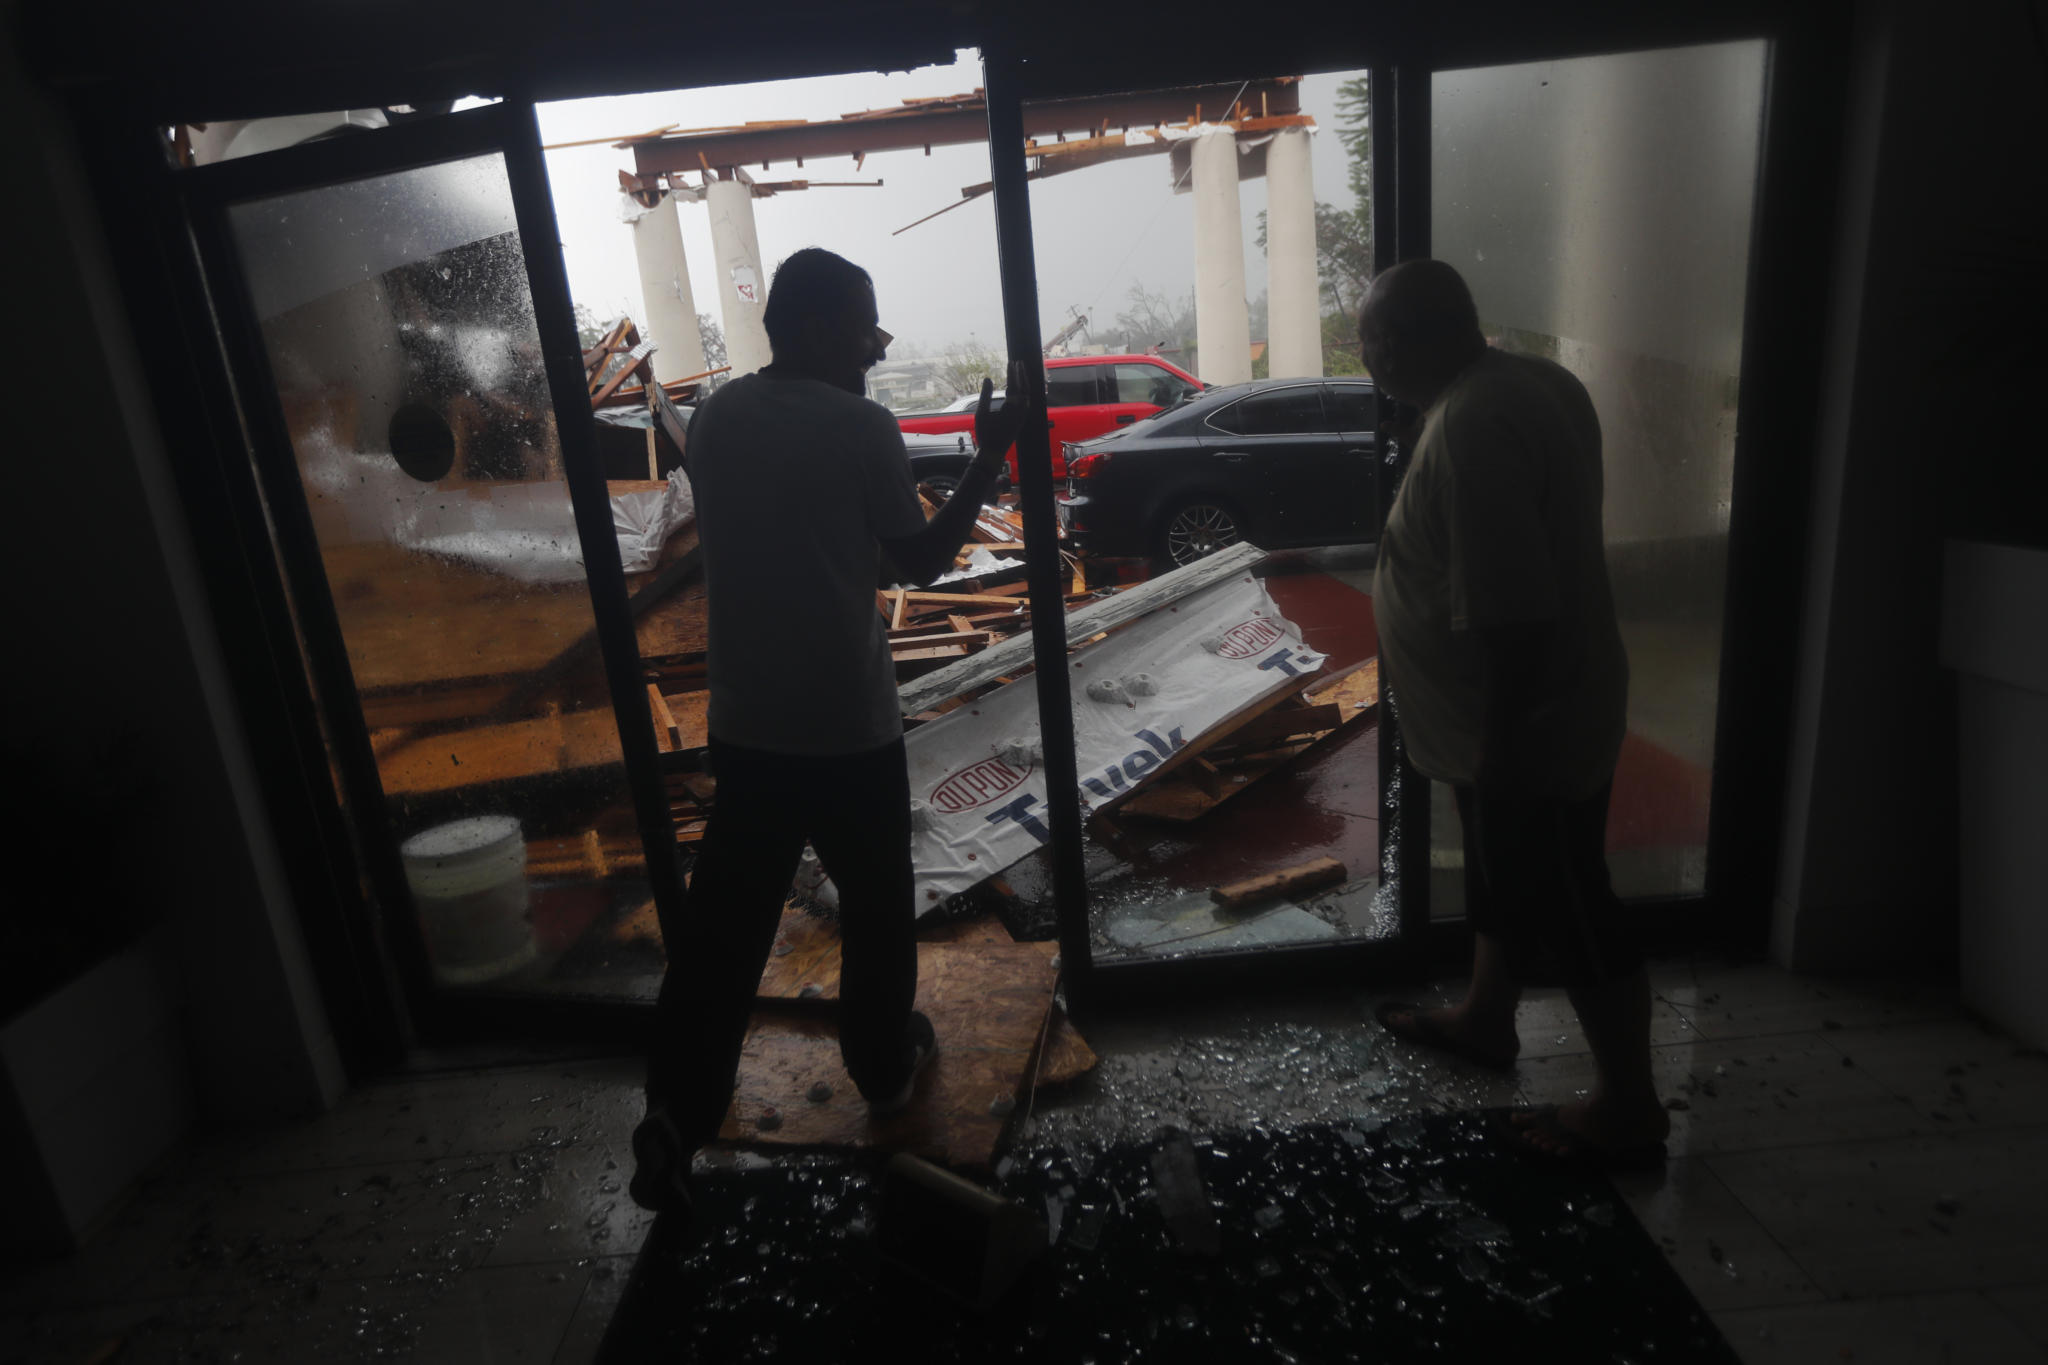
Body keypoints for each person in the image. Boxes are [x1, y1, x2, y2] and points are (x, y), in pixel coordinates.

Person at [630, 248, 1028, 1215]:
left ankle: (676, 1116)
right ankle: (883, 1070)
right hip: (848, 730)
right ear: (813, 329)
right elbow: (923, 562)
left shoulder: (717, 418)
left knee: (724, 933)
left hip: (748, 726)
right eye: (864, 324)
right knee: (880, 908)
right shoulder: (861, 427)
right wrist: (990, 451)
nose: (878, 342)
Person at [1360, 259, 1669, 1169]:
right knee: (1510, 874)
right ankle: (1489, 1016)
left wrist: (1504, 749)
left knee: (1571, 899)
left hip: (1526, 718)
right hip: (1517, 710)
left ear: (1400, 344)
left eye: (1371, 341)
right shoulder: (1531, 382)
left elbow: (1513, 612)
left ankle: (1630, 1107)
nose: (1368, 359)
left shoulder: (1470, 426)